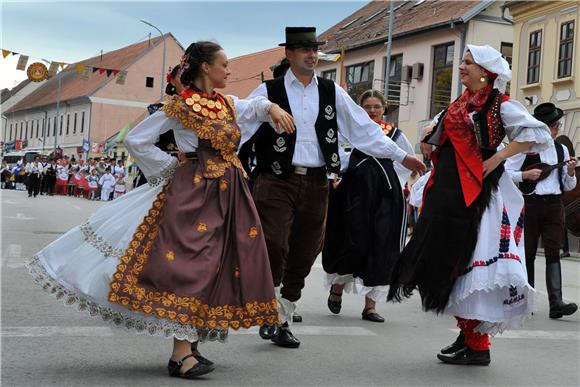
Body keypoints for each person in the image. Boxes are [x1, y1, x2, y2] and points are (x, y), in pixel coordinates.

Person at [26, 40, 296, 379]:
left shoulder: (227, 103)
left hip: (230, 194)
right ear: (205, 68)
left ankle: (190, 342)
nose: (229, 70)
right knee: (191, 264)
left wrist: (270, 107)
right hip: (195, 193)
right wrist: (171, 169)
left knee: (216, 265)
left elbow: (252, 107)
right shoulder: (179, 106)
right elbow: (136, 141)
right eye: (223, 64)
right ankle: (181, 353)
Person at [248, 27, 425, 348]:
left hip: (317, 181)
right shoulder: (268, 90)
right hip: (276, 179)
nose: (312, 55)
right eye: (304, 49)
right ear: (289, 54)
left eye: (314, 49)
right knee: (274, 242)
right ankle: (270, 312)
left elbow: (363, 131)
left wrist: (402, 156)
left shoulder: (331, 91)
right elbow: (240, 125)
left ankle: (284, 314)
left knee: (306, 249)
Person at [387, 44, 552, 366]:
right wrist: (429, 137)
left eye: (467, 62)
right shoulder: (459, 104)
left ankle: (478, 344)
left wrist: (498, 157)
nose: (461, 67)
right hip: (449, 191)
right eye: (462, 61)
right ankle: (468, 337)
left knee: (470, 264)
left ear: (485, 71)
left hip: (477, 195)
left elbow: (537, 133)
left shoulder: (500, 105)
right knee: (451, 264)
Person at [322, 89, 415, 323]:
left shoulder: (394, 134)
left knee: (382, 245)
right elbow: (338, 157)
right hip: (355, 193)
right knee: (351, 242)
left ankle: (370, 306)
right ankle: (337, 288)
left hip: (385, 195)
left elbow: (405, 161)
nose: (372, 111)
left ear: (384, 109)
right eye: (367, 107)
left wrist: (392, 180)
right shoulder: (351, 132)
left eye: (376, 107)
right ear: (360, 109)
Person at [505, 102, 577, 319]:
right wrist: (524, 176)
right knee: (526, 252)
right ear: (545, 127)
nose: (558, 129)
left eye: (558, 125)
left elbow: (568, 185)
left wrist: (571, 172)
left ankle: (556, 303)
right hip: (531, 204)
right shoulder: (526, 146)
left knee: (554, 252)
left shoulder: (561, 149)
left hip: (555, 205)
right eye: (555, 126)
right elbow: (506, 171)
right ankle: (526, 301)